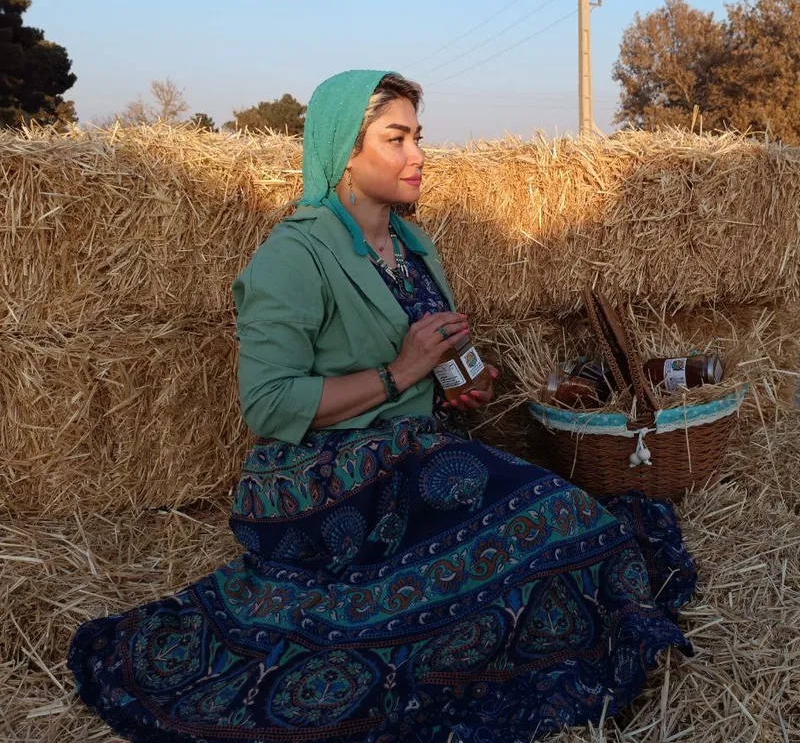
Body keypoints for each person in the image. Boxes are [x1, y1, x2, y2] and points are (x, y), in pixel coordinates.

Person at [68, 70, 696, 743]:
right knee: (541, 521)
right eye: (395, 139)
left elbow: (435, 365)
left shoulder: (413, 247)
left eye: (417, 137)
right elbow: (270, 403)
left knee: (569, 520)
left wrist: (457, 385)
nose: (418, 155)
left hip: (411, 454)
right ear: (344, 150)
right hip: (316, 478)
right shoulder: (295, 254)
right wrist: (401, 375)